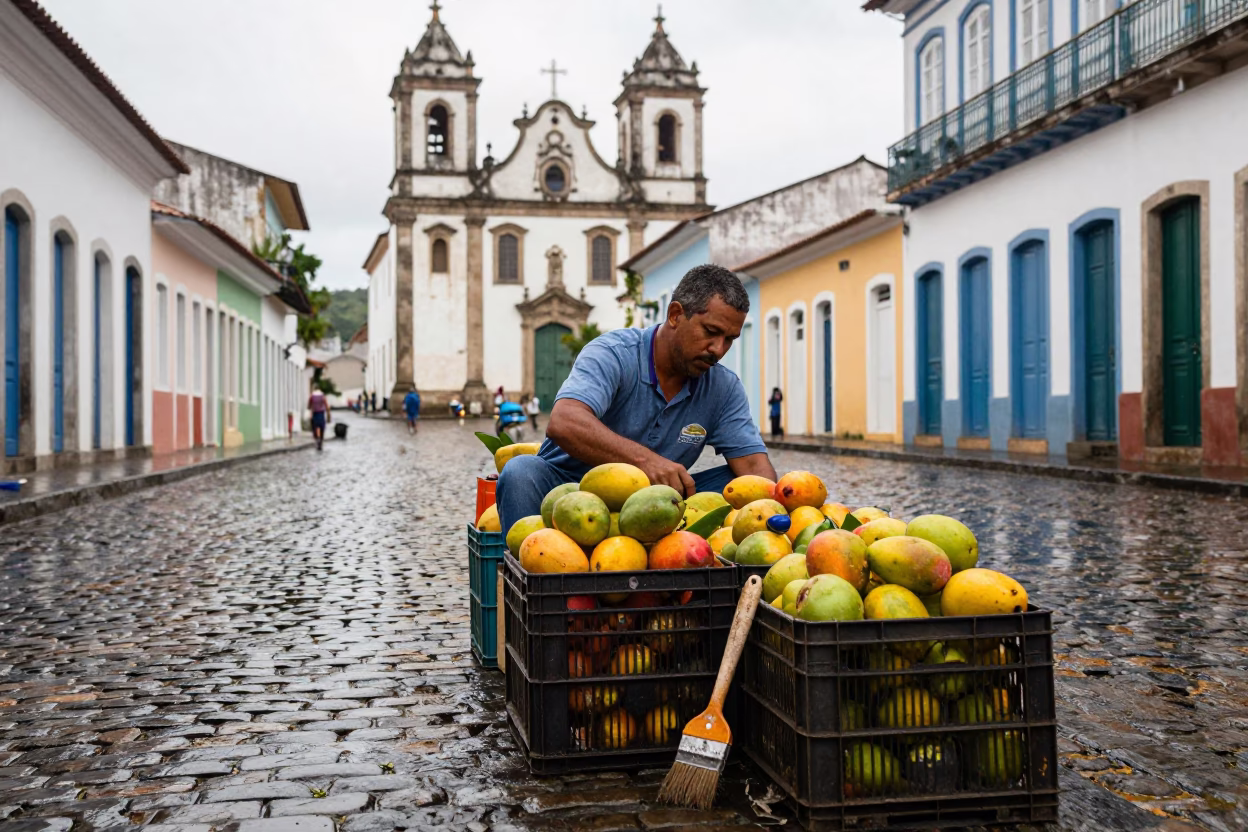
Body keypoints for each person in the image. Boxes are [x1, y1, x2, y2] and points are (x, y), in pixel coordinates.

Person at [497, 264, 776, 536]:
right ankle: (535, 575)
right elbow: (564, 421)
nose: (718, 349)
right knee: (520, 471)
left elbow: (755, 470)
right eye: (711, 332)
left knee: (744, 486)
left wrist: (784, 510)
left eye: (730, 339)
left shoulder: (723, 387)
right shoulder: (613, 354)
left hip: (658, 508)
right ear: (676, 314)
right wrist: (646, 462)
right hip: (565, 496)